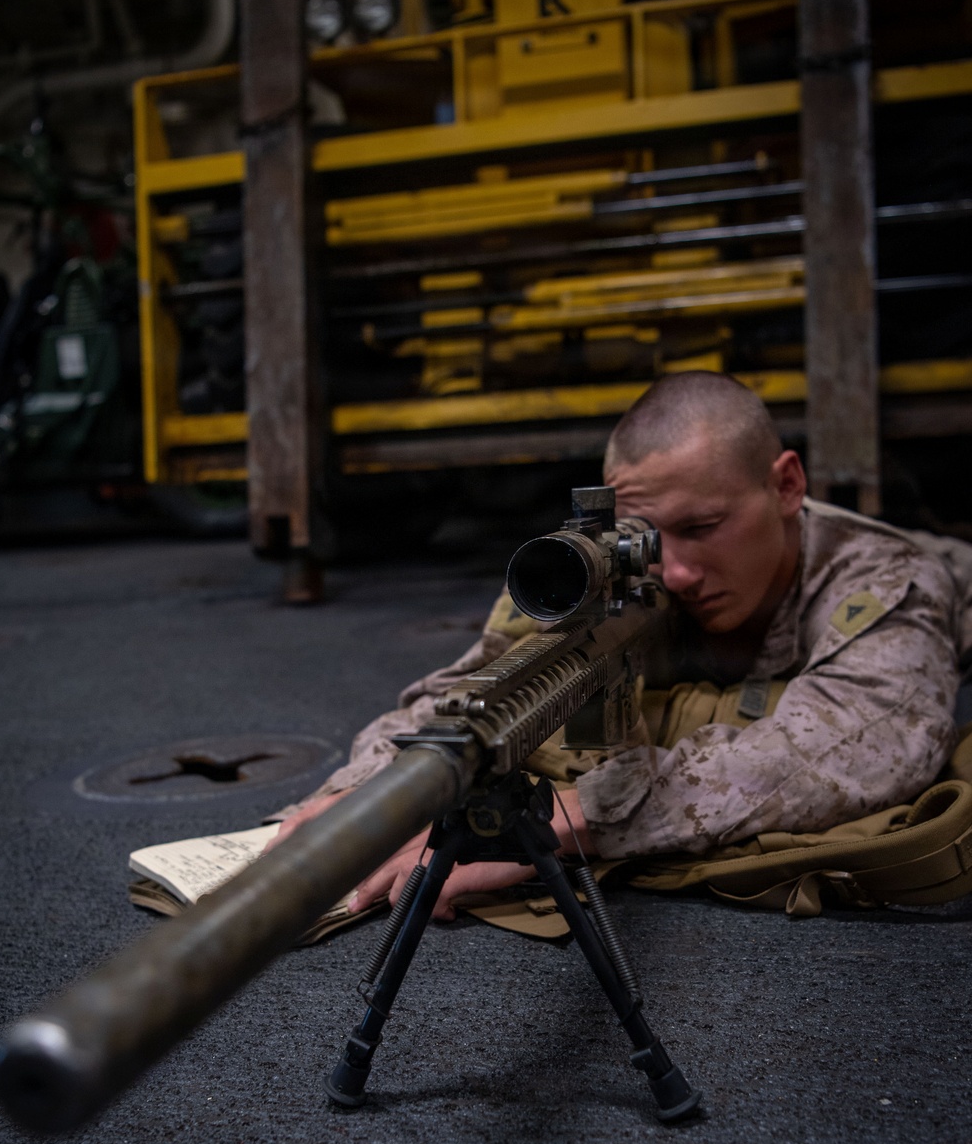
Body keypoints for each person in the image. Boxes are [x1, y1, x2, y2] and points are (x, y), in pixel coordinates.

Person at [270, 372, 963, 921]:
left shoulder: (886, 577)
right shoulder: (610, 568)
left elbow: (863, 743)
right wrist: (368, 795)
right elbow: (477, 686)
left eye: (706, 525)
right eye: (650, 538)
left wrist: (570, 819)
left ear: (786, 485)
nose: (679, 572)